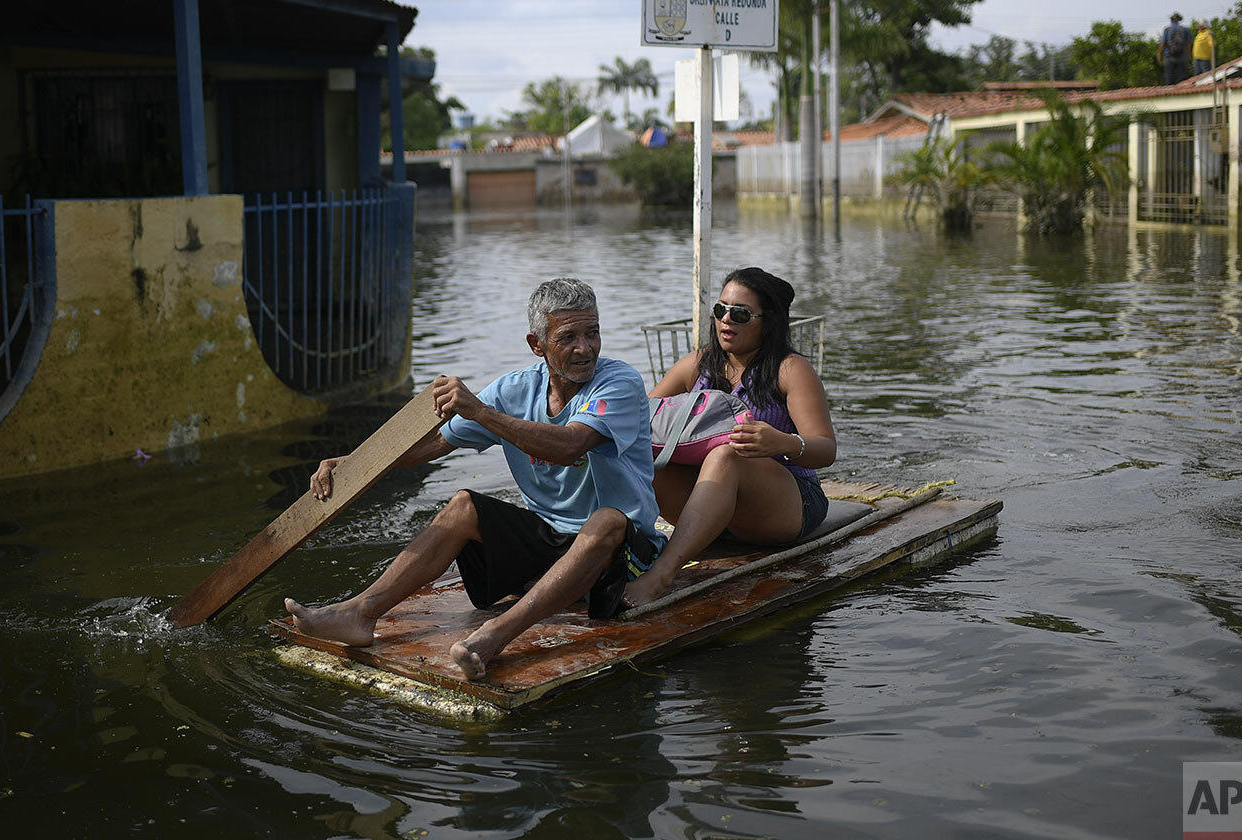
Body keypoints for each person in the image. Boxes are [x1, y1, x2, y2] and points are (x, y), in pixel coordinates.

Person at [284, 277, 663, 681]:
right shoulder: (514, 390)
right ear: (537, 345)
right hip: (551, 542)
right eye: (568, 337)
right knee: (464, 505)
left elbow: (571, 444)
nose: (584, 348)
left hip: (624, 557)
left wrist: (481, 412)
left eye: (592, 333)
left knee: (608, 519)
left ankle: (492, 637)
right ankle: (359, 613)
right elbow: (432, 446)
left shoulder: (619, 383)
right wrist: (353, 463)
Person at [623, 267, 837, 607]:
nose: (726, 321)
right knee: (637, 453)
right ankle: (612, 551)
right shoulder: (697, 364)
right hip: (713, 507)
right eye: (720, 310)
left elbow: (826, 450)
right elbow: (637, 420)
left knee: (727, 454)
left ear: (768, 322)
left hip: (787, 504)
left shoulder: (790, 370)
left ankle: (662, 574)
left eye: (740, 314)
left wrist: (781, 442)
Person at [1158, 11, 1191, 85]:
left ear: (1171, 20)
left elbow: (1163, 44)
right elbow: (1188, 44)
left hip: (1168, 56)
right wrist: (1189, 56)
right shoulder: (1185, 30)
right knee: (1181, 80)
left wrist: (1159, 55)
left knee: (1169, 78)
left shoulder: (1167, 29)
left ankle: (1169, 94)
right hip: (1181, 56)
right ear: (1179, 20)